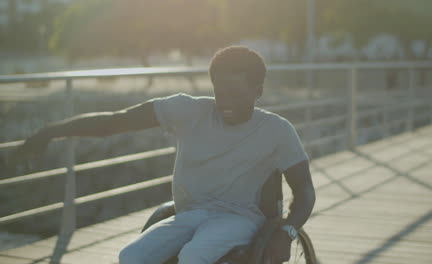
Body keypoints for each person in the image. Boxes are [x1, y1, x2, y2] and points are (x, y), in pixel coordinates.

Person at [12, 46, 316, 264]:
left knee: (194, 256)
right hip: (191, 213)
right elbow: (114, 122)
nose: (226, 103)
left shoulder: (277, 130)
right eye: (220, 93)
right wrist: (50, 131)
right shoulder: (188, 110)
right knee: (130, 257)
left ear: (258, 91)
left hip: (239, 217)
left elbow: (304, 190)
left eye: (237, 94)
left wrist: (287, 232)